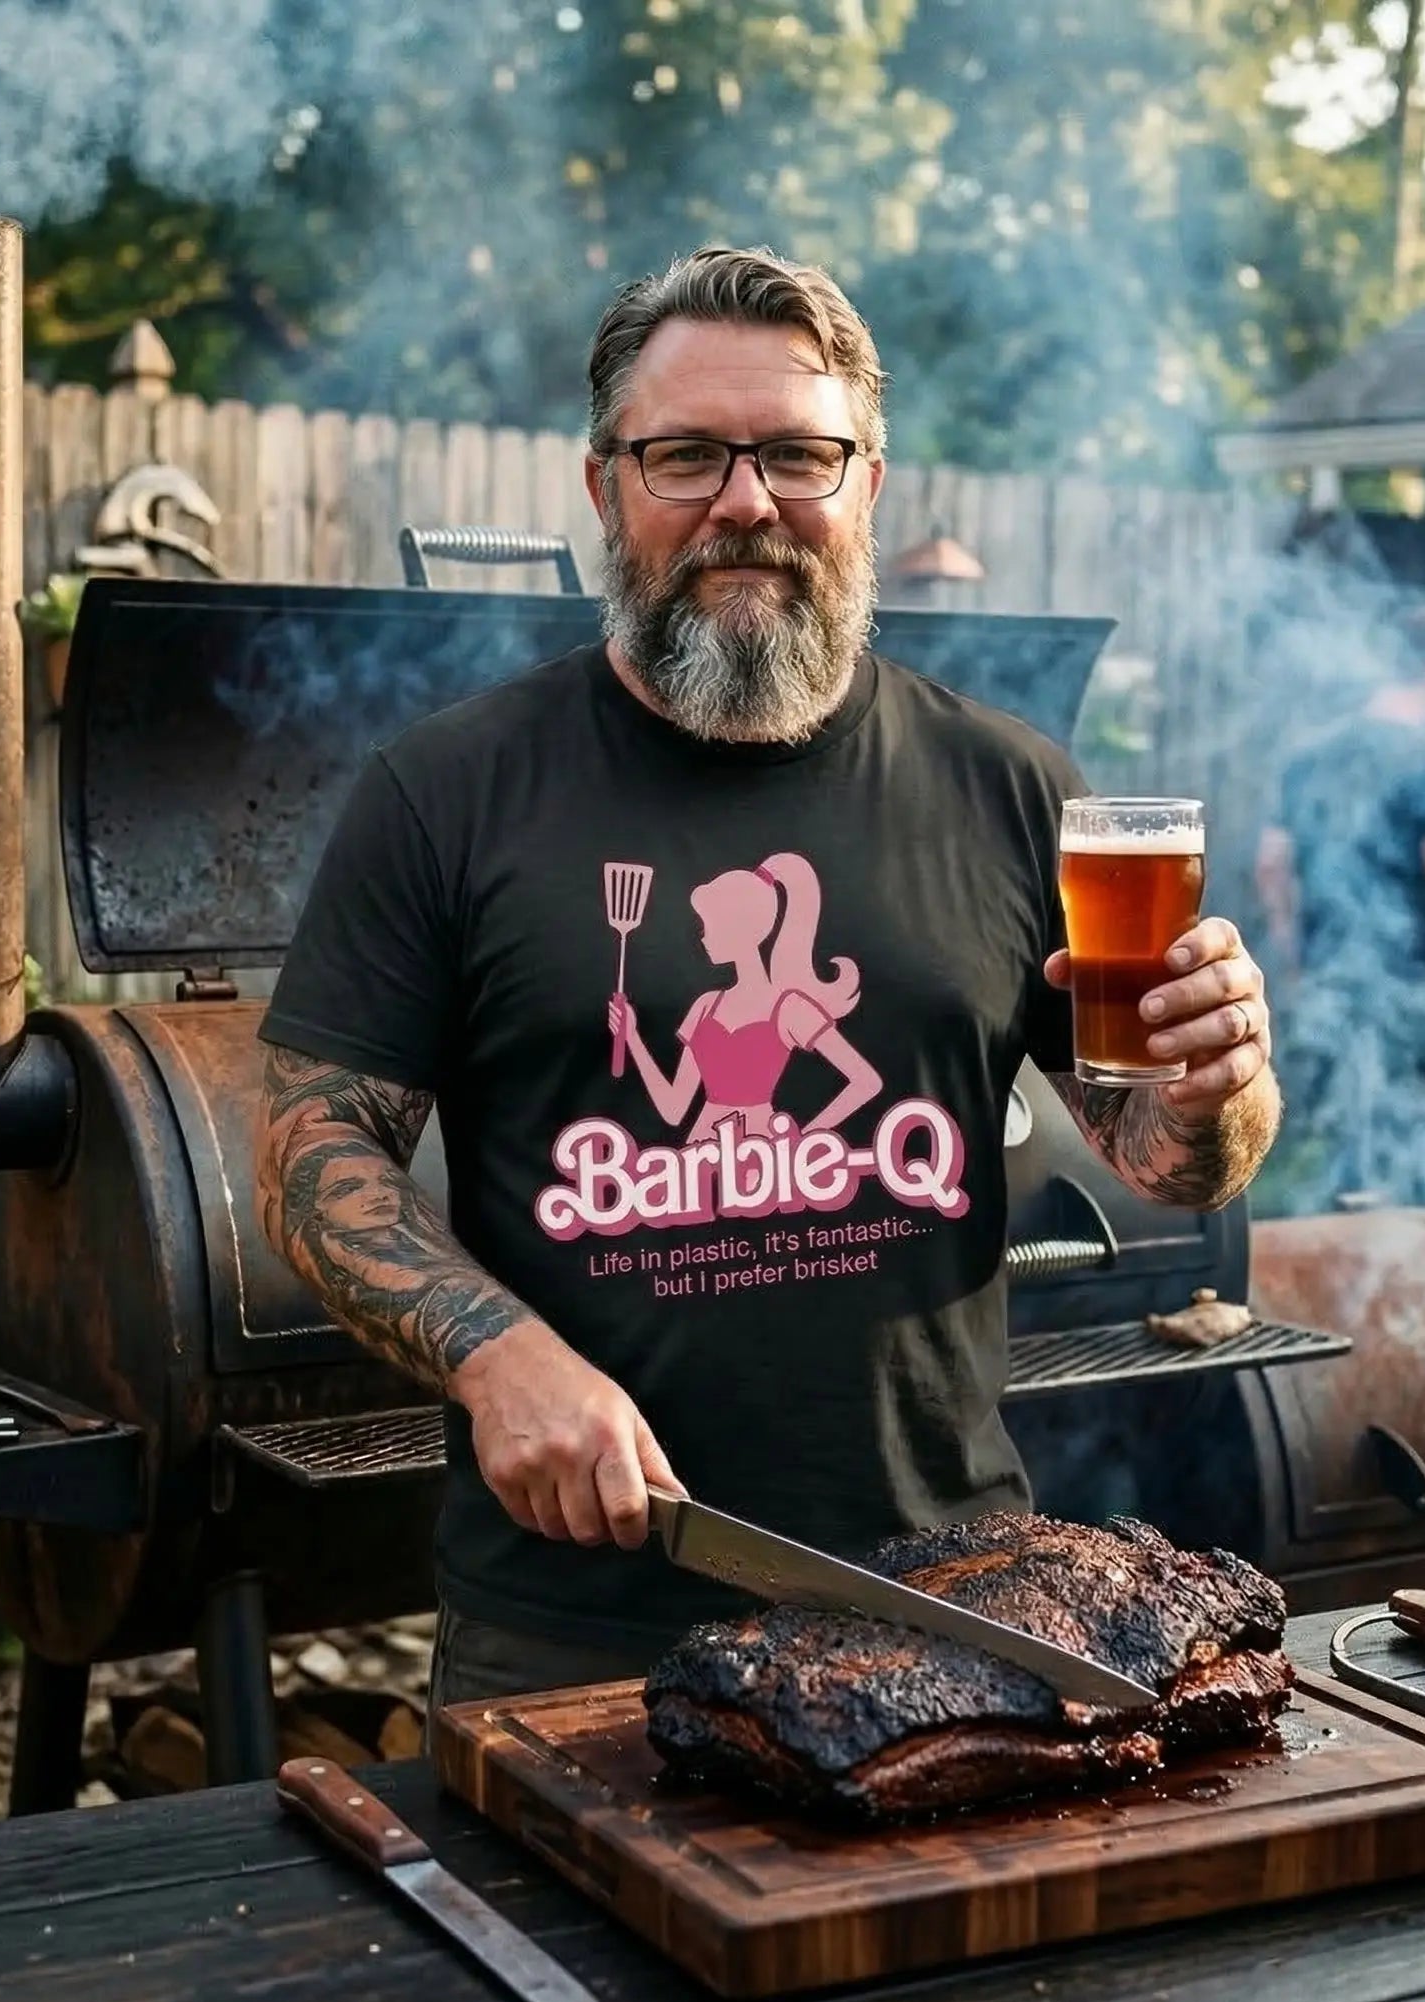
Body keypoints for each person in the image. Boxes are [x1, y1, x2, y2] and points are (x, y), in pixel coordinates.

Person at [252, 247, 1282, 1707]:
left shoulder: (1008, 785)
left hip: (951, 1600)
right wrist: (496, 1357)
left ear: (867, 482)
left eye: (798, 454)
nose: (747, 501)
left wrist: (1215, 1089)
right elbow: (308, 1153)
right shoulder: (449, 793)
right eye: (688, 456)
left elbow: (1169, 1164)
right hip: (577, 1616)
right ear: (609, 486)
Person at [1255, 605, 1425, 1208]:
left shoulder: (1313, 751)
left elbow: (1272, 864)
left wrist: (1297, 955)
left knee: (1337, 1136)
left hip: (1328, 978)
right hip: (1407, 990)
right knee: (1412, 1139)